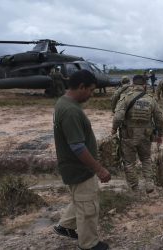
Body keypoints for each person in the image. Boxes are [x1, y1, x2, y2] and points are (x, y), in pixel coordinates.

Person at [52, 69, 111, 250]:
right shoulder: (70, 111)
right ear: (81, 87)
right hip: (79, 168)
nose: (91, 95)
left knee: (80, 199)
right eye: (91, 90)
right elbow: (77, 147)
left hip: (73, 167)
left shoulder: (64, 102)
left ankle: (66, 226)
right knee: (88, 206)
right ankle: (89, 244)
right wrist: (99, 169)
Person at [112, 75, 163, 193]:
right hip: (146, 134)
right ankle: (149, 183)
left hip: (128, 135)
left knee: (129, 162)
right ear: (145, 85)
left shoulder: (126, 97)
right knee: (146, 158)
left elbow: (118, 117)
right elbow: (160, 119)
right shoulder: (151, 99)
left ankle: (134, 186)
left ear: (133, 84)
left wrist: (113, 129)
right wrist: (160, 134)